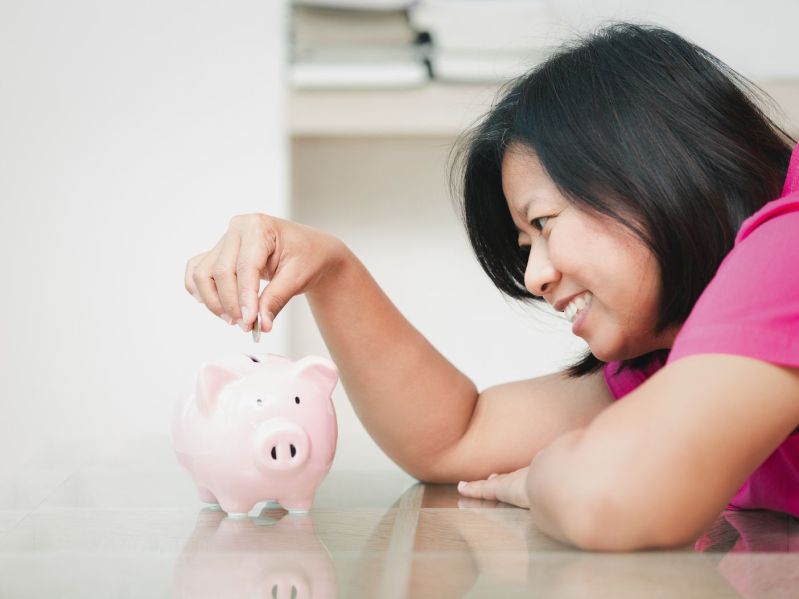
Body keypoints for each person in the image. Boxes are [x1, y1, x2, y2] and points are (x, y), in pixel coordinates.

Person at [184, 23, 799, 551]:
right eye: (526, 247)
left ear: (653, 166)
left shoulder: (787, 249)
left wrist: (539, 478)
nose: (535, 277)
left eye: (544, 223)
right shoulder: (667, 359)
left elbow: (609, 496)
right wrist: (331, 269)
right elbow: (457, 437)